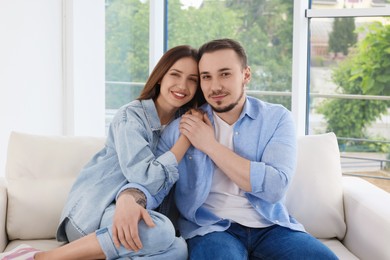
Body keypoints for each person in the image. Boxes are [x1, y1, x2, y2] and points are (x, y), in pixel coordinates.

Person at [0, 45, 205, 260]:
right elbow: (145, 177)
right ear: (161, 76)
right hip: (93, 215)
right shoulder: (131, 117)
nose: (183, 85)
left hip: (137, 217)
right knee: (161, 232)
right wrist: (185, 139)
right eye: (175, 74)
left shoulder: (186, 120)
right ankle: (40, 258)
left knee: (178, 249)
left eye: (192, 79)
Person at [148, 38, 338, 259]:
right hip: (210, 229)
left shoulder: (276, 118)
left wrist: (210, 145)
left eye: (225, 74)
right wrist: (128, 199)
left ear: (246, 75)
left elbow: (275, 187)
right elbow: (155, 179)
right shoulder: (183, 126)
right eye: (206, 77)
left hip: (271, 227)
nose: (215, 86)